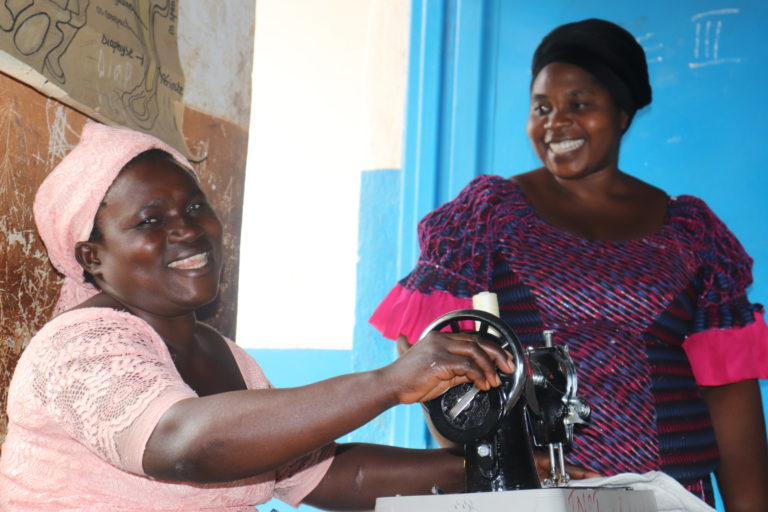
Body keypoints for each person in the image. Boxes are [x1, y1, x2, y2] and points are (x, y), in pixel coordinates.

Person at [0, 121, 523, 511]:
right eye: (150, 220)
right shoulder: (79, 350)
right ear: (93, 258)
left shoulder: (224, 356)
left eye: (194, 206)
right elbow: (187, 444)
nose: (188, 230)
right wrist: (389, 382)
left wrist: (500, 472)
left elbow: (335, 474)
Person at [369, 18, 768, 511]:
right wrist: (476, 442)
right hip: (535, 491)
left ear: (623, 112)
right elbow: (427, 341)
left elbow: (730, 392)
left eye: (578, 104)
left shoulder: (692, 232)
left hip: (673, 492)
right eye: (542, 108)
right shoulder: (487, 215)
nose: (556, 123)